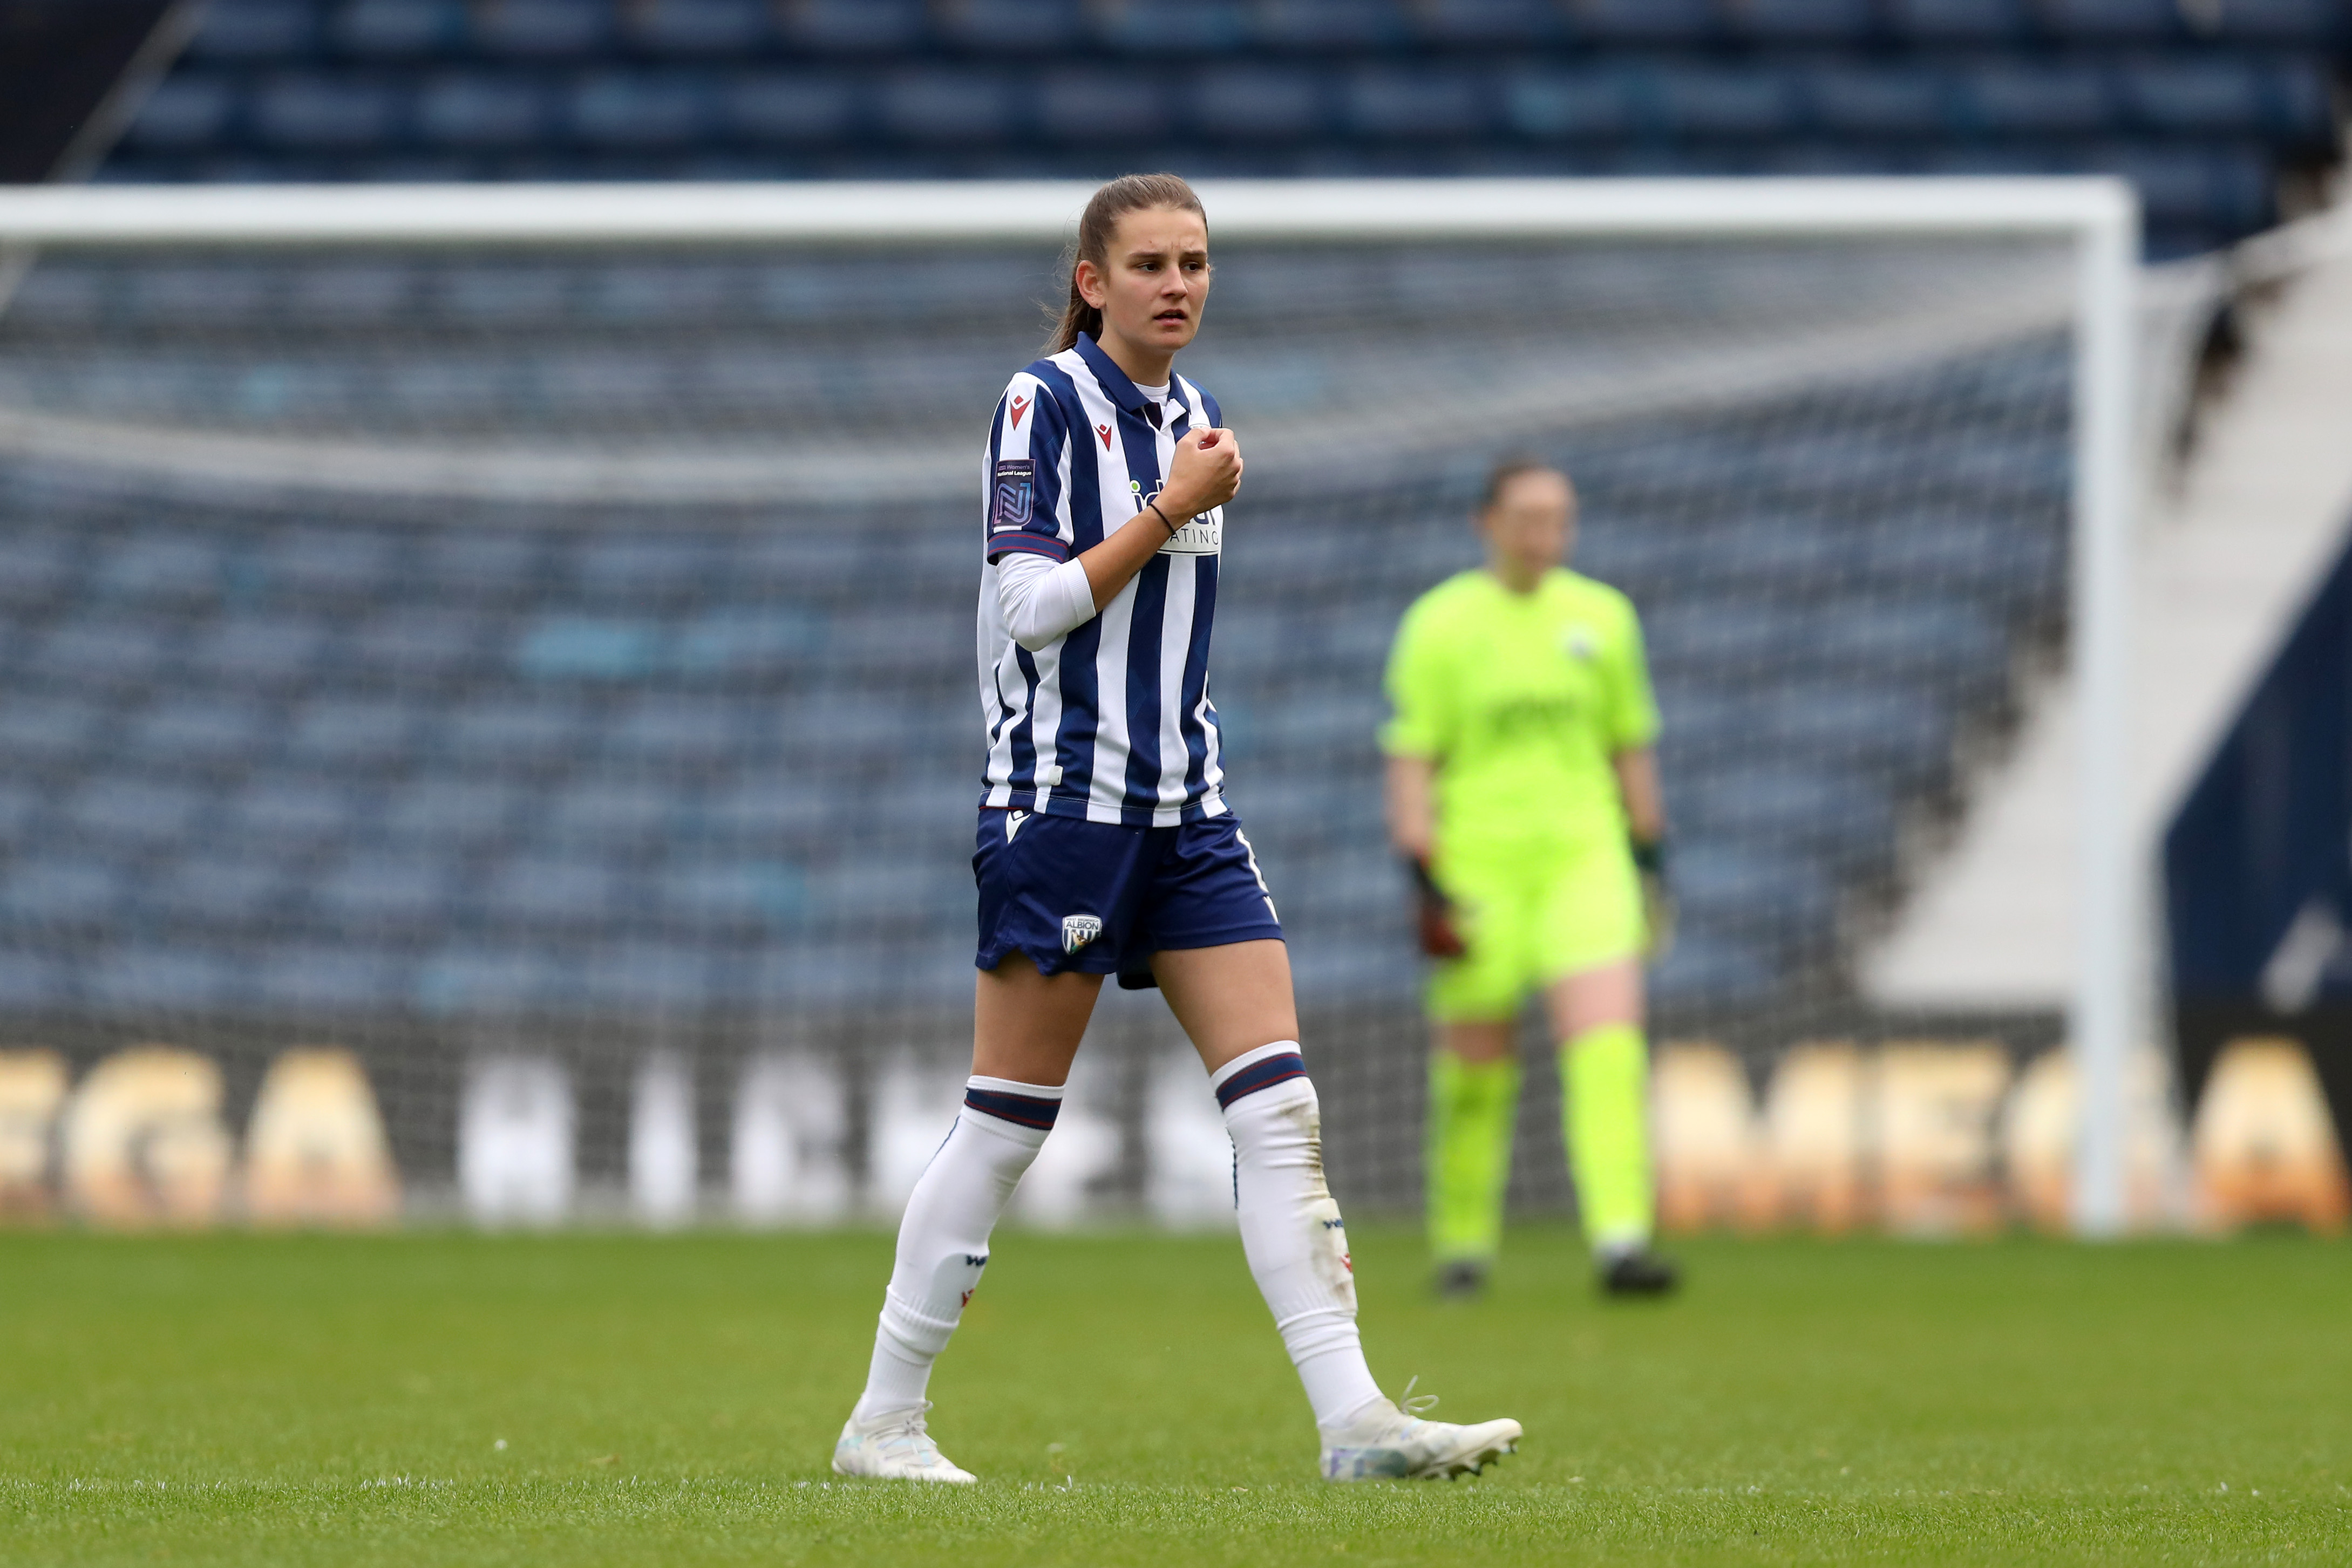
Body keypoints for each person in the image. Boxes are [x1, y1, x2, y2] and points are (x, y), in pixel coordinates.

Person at [831, 174, 1522, 1485]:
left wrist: (1181, 497)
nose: (1177, 284)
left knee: (1282, 1109)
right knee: (1006, 1124)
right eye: (1147, 263)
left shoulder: (1198, 417)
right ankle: (884, 1419)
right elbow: (1032, 606)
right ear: (1091, 281)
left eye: (1194, 262)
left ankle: (1354, 1421)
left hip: (1189, 813)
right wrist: (1166, 513)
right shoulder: (1043, 401)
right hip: (1064, 814)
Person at [1382, 458, 1681, 1301]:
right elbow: (1411, 757)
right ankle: (1463, 1245)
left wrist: (1650, 860)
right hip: (1476, 864)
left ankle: (1622, 1240)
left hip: (1585, 857)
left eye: (1560, 515)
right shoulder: (1439, 624)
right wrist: (1422, 873)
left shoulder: (1602, 616)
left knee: (1607, 1051)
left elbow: (1630, 744)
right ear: (1488, 521)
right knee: (1475, 1073)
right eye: (1528, 514)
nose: (1545, 530)